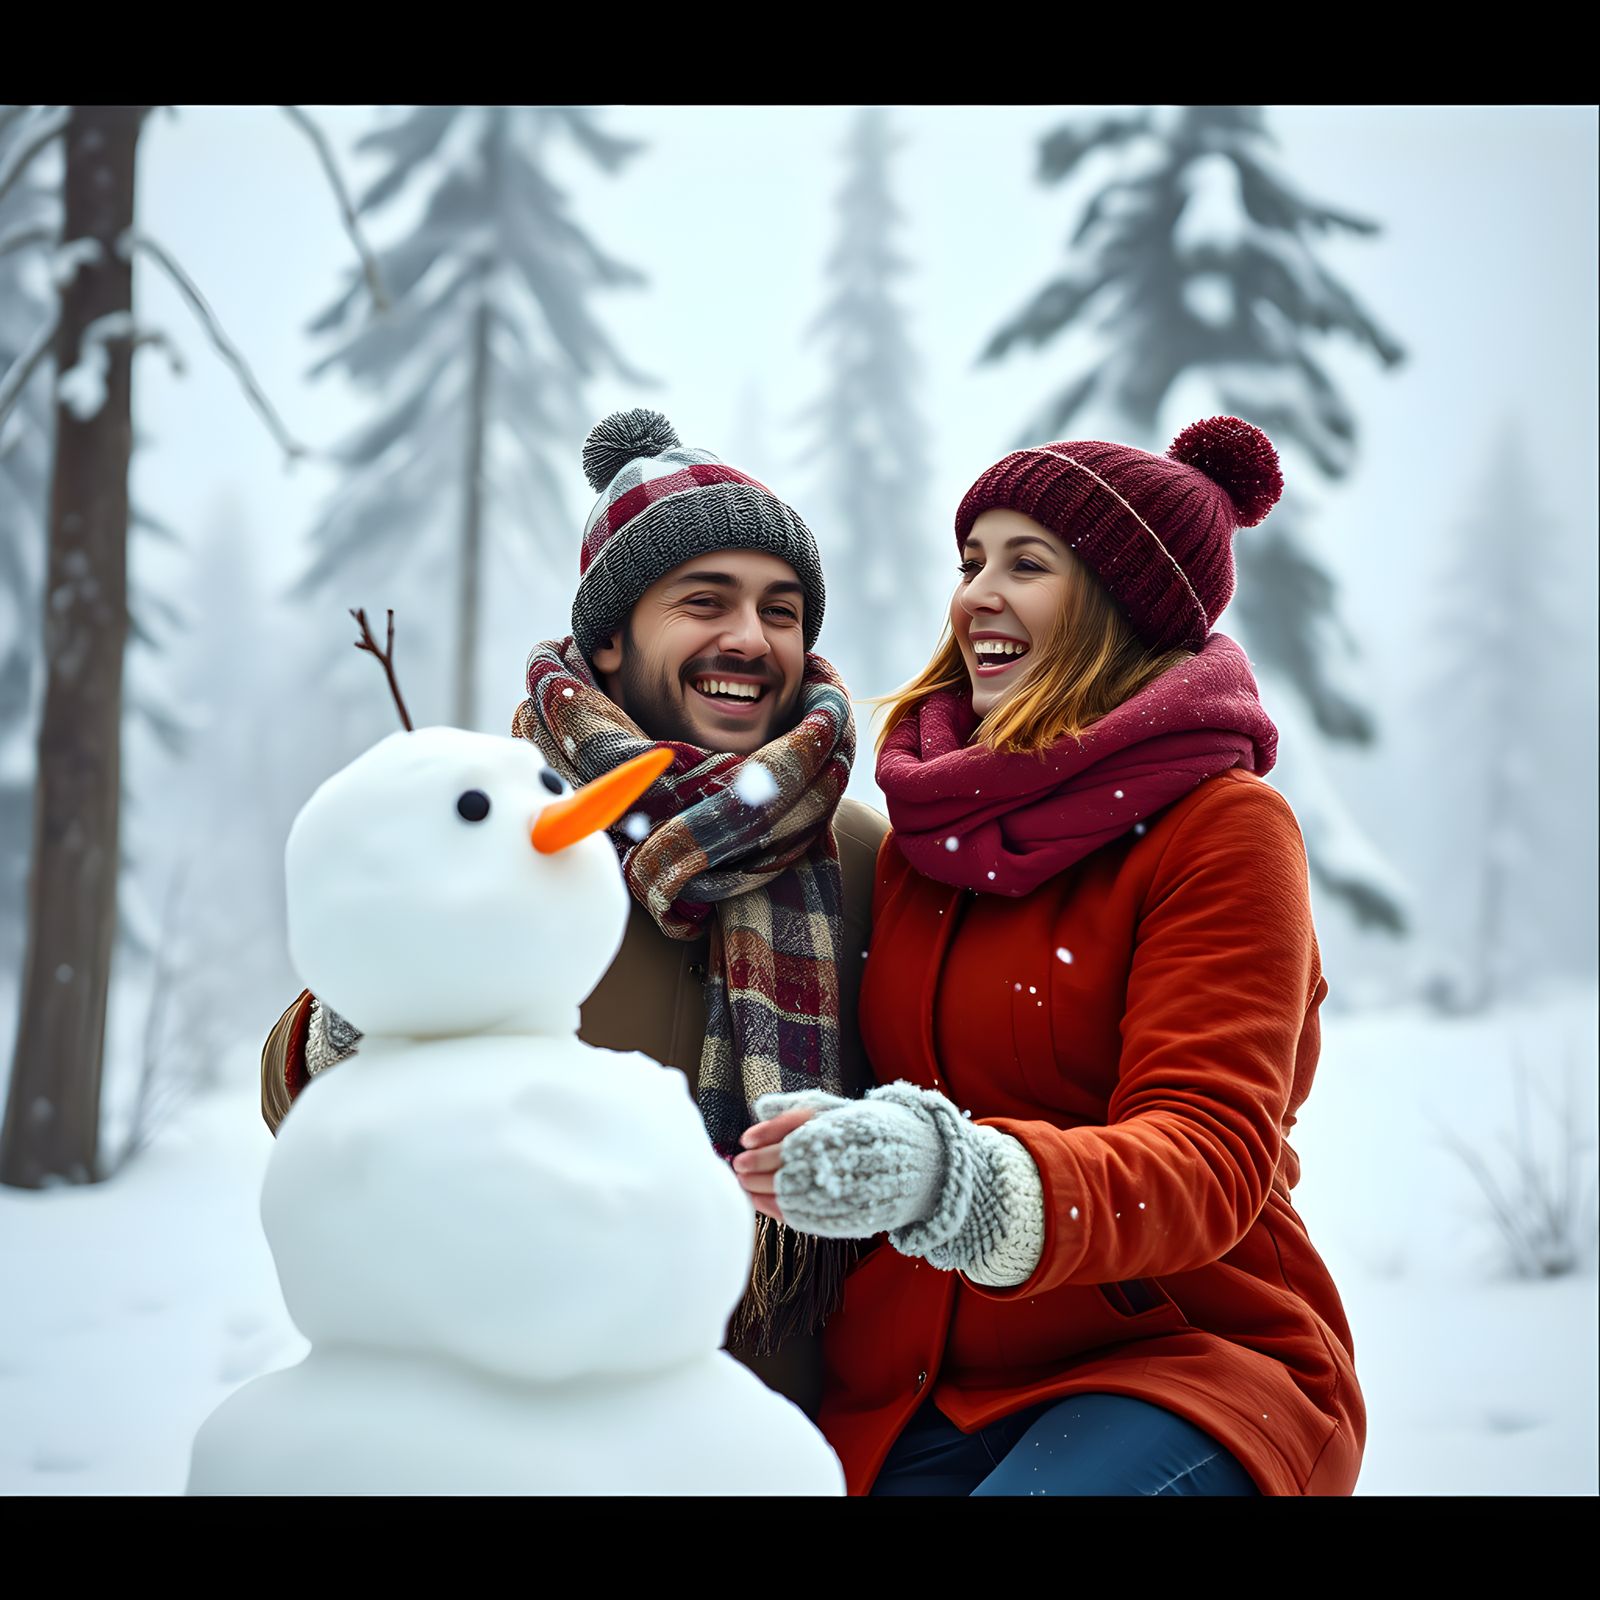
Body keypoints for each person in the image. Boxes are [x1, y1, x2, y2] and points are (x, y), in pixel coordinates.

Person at [734, 416, 1365, 1495]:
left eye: (1026, 565)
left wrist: (958, 1178)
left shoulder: (1224, 828)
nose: (976, 595)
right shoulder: (923, 837)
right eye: (971, 562)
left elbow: (1209, 1154)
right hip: (919, 1389)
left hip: (1181, 1361)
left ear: (1124, 606)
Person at [260, 408, 888, 1419]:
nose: (749, 638)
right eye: (705, 600)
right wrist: (382, 996)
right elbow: (298, 1102)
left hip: (773, 1425)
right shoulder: (507, 824)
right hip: (510, 1421)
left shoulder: (861, 860)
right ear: (608, 640)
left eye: (781, 610)